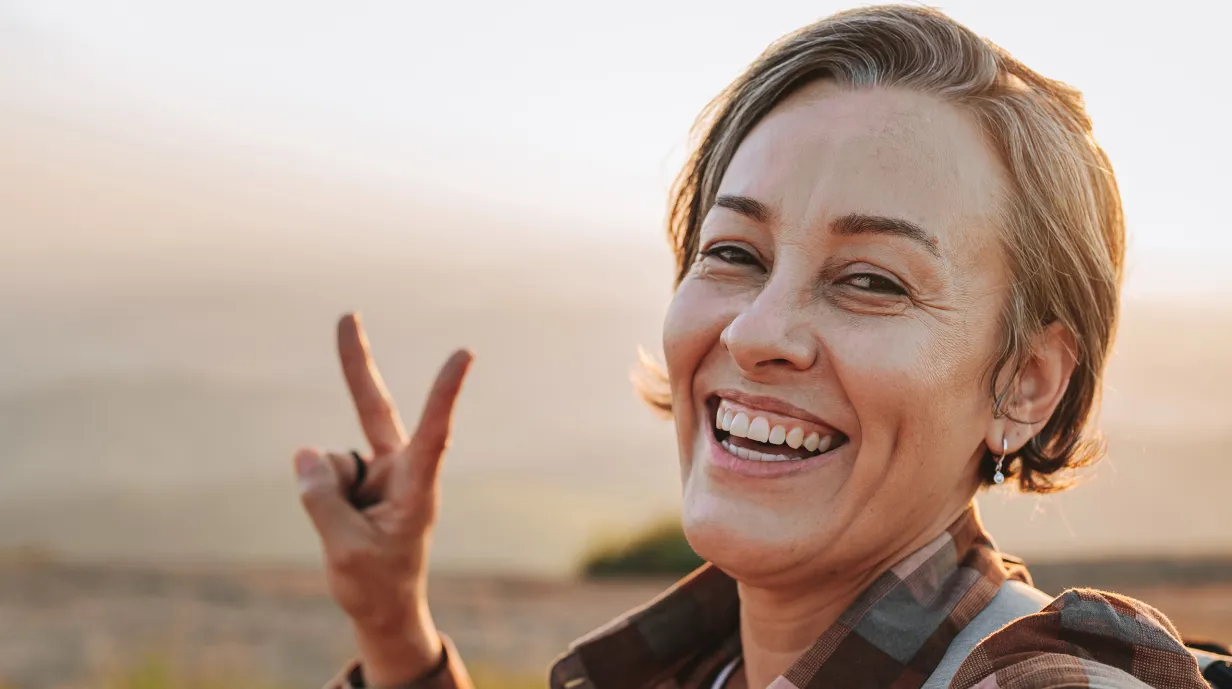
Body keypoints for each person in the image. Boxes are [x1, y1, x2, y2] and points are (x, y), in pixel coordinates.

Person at [293, 6, 1214, 688]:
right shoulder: (706, 667)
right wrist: (391, 622)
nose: (757, 331)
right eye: (734, 254)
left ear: (1026, 383)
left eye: (872, 279)